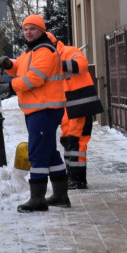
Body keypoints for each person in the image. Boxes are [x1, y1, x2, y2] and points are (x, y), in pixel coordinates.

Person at [0, 14, 66, 212]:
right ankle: (61, 195)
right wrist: (10, 65)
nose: (28, 32)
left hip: (44, 109)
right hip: (38, 109)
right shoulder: (30, 52)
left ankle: (38, 199)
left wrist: (8, 87)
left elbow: (35, 78)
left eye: (32, 29)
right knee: (50, 153)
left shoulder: (45, 51)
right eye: (25, 29)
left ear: (42, 31)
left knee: (37, 153)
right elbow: (21, 68)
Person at [45, 32, 104, 190]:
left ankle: (78, 179)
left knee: (77, 141)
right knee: (67, 140)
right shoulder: (45, 59)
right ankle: (71, 176)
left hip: (80, 105)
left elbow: (82, 64)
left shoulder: (70, 51)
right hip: (66, 107)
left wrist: (58, 65)